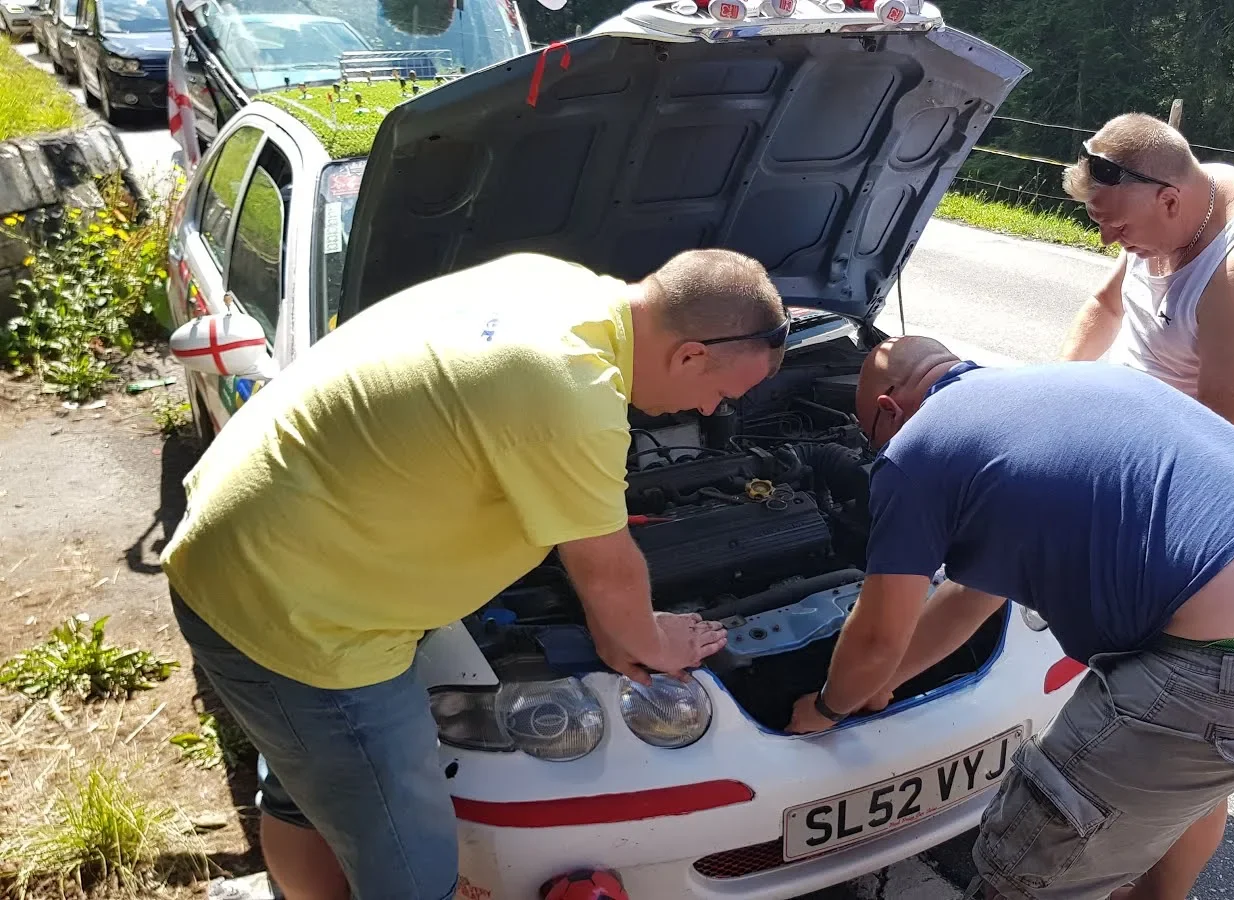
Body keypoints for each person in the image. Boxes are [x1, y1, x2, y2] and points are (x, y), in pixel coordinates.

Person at [162, 248, 791, 900]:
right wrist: (655, 640)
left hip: (240, 539)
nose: (716, 412)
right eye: (722, 393)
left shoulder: (554, 281)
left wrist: (620, 631)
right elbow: (609, 583)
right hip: (300, 611)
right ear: (689, 355)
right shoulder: (572, 389)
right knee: (414, 866)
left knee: (304, 791)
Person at [786, 336, 1234, 900]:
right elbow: (970, 597)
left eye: (873, 440)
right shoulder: (1060, 388)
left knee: (1028, 868)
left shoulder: (917, 448)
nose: (879, 455)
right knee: (1185, 790)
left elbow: (875, 638)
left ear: (889, 410)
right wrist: (883, 682)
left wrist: (826, 706)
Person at [1057, 112, 1234, 469]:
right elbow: (1107, 306)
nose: (1107, 239)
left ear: (1169, 202)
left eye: (1118, 225)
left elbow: (1217, 440)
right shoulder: (1179, 196)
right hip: (1139, 439)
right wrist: (1056, 391)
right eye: (1098, 221)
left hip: (1225, 483)